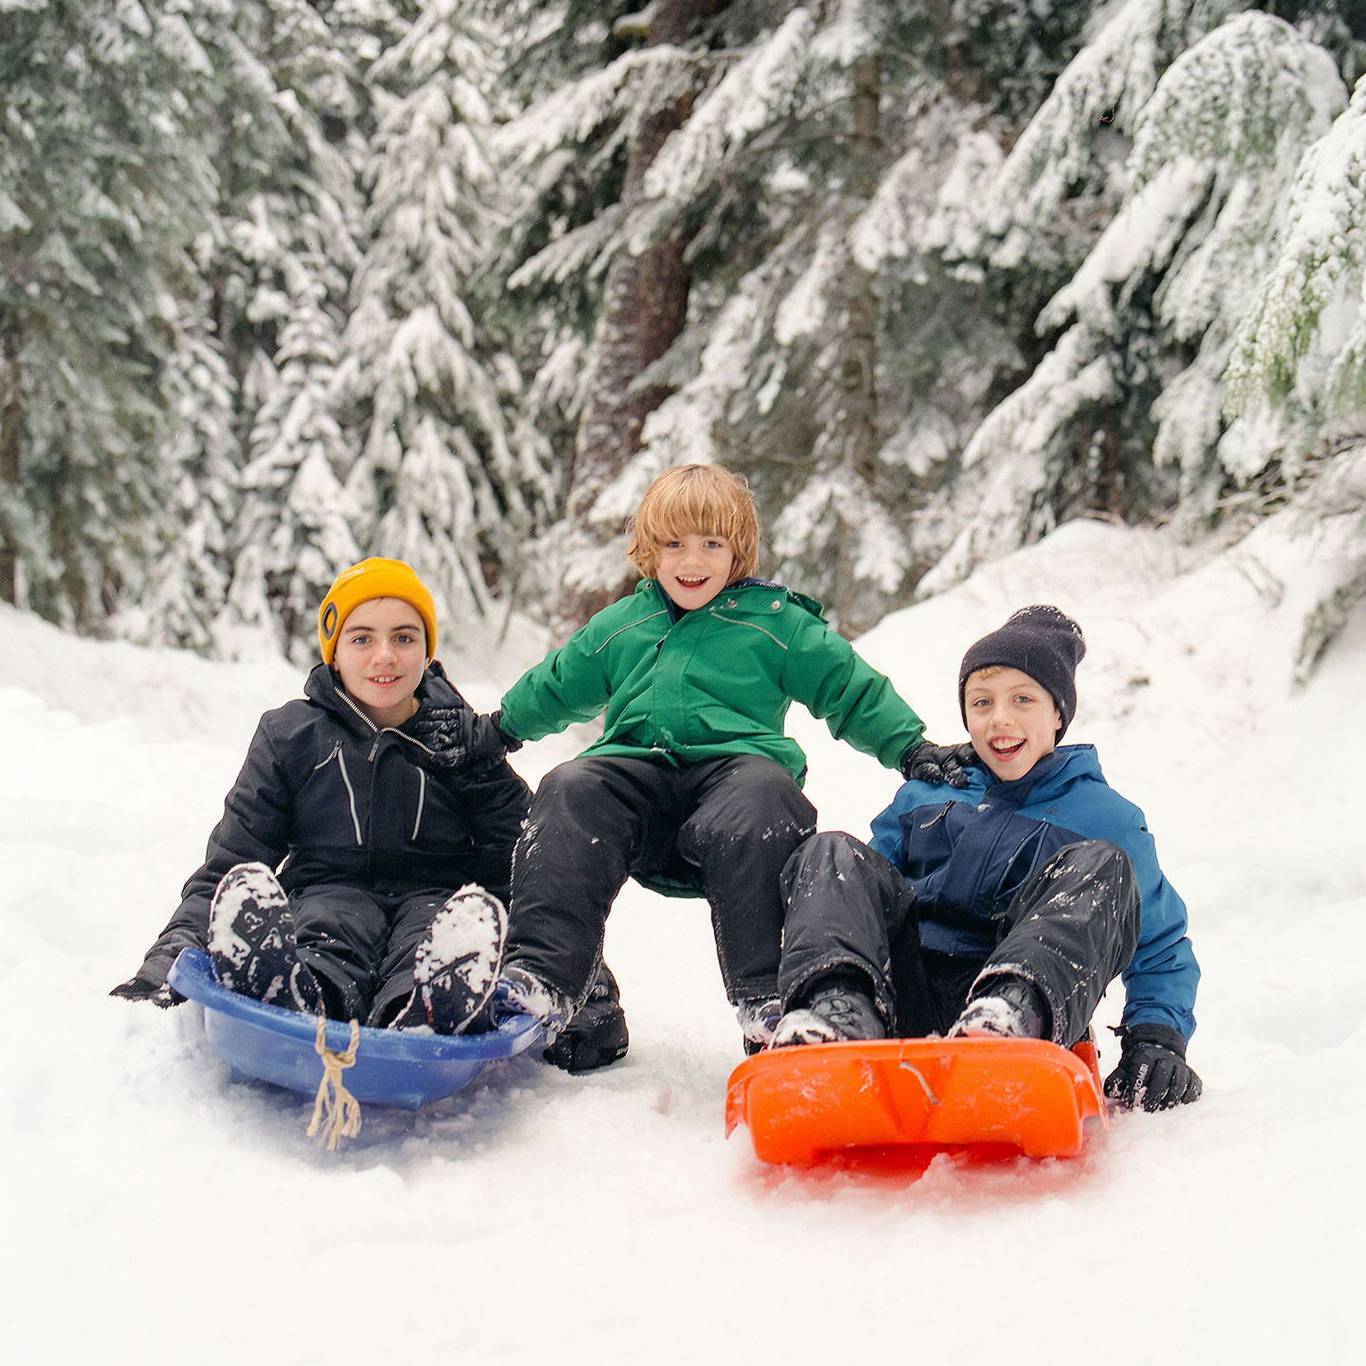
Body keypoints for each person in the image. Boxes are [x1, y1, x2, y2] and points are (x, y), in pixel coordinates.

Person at [416, 463, 975, 1062]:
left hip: (736, 779)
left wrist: (910, 747)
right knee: (569, 786)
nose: (693, 560)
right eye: (675, 544)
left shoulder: (775, 622)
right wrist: (498, 729)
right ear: (649, 550)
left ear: (738, 551)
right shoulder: (624, 623)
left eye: (712, 544)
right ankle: (542, 979)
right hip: (635, 780)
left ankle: (766, 999)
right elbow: (560, 681)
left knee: (765, 793)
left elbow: (849, 686)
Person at [769, 605, 1203, 1112]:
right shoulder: (927, 794)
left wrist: (1157, 1039)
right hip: (906, 995)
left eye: (1023, 700)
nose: (1000, 718)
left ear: (1058, 713)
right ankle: (836, 1014)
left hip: (1031, 998)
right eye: (982, 702)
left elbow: (1159, 942)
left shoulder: (1106, 818)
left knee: (1103, 865)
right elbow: (861, 899)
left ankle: (1008, 1016)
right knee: (833, 852)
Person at [110, 558, 530, 1036]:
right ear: (334, 652)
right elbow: (232, 862)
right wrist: (170, 958)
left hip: (434, 899)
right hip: (324, 894)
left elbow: (526, 868)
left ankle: (431, 1008)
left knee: (434, 941)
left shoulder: (461, 737)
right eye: (362, 638)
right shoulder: (291, 735)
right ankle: (291, 993)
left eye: (405, 637)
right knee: (324, 933)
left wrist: (577, 987)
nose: (385, 656)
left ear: (428, 651)